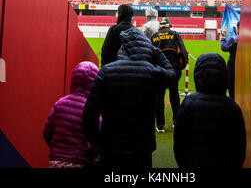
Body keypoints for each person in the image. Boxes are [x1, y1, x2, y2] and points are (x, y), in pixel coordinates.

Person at [83, 26, 176, 170]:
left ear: (123, 48)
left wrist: (97, 140)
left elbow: (90, 113)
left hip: (110, 147)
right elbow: (171, 74)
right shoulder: (152, 72)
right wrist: (157, 52)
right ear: (146, 48)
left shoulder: (106, 72)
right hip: (142, 148)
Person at [174, 53, 246, 169]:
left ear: (197, 74)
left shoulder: (188, 104)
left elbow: (179, 143)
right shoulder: (233, 108)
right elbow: (239, 147)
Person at [43, 61, 99, 168]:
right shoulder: (92, 108)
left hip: (56, 161)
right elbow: (96, 137)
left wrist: (57, 149)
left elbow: (47, 131)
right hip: (79, 161)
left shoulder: (60, 103)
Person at [151, 17, 188, 132]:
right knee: (174, 95)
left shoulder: (154, 36)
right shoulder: (175, 34)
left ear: (160, 26)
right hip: (174, 70)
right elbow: (183, 53)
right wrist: (180, 68)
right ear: (169, 26)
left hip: (159, 70)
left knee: (159, 96)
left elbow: (150, 54)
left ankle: (160, 125)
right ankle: (176, 121)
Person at [221, 20, 240, 100]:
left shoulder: (234, 39)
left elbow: (224, 48)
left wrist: (223, 37)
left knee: (231, 86)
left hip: (232, 65)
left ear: (238, 28)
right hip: (244, 66)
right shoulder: (250, 40)